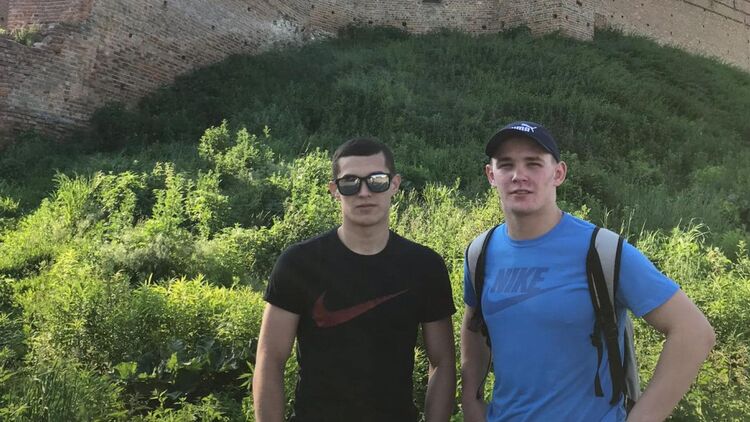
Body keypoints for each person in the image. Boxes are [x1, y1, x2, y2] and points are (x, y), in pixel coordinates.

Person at [460, 121, 715, 422]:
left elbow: (694, 331)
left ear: (558, 173)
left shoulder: (602, 251)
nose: (519, 176)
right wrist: (471, 401)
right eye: (506, 165)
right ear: (491, 175)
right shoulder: (481, 252)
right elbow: (474, 327)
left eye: (533, 163)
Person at [253, 137, 457, 422]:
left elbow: (443, 362)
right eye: (350, 182)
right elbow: (270, 359)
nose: (364, 192)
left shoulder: (424, 266)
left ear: (394, 185)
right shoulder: (298, 264)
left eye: (376, 181)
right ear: (334, 191)